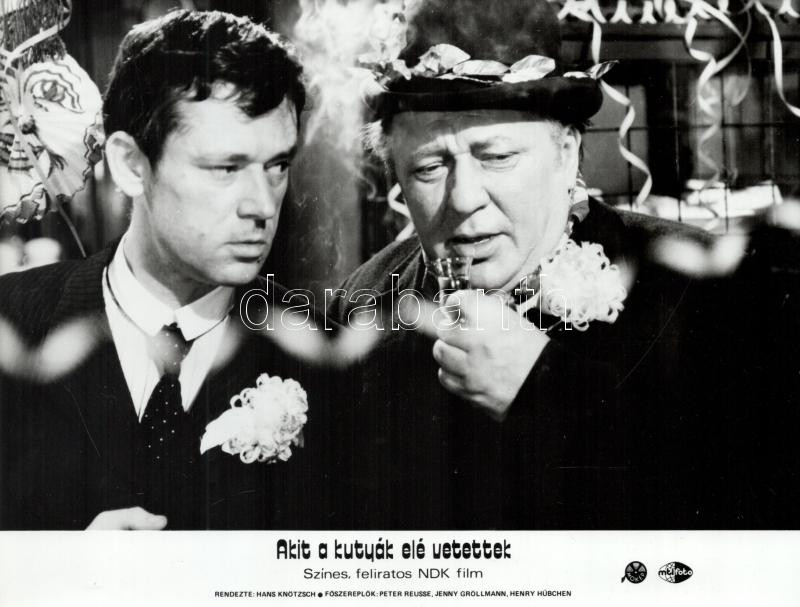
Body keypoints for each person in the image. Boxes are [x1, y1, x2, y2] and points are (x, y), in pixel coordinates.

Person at [328, 0, 774, 528]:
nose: (464, 198)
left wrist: (543, 389)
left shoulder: (705, 295)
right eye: (429, 167)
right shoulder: (361, 302)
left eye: (497, 156)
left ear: (566, 153)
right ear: (397, 179)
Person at [0, 10, 335, 530]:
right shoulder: (12, 323)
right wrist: (60, 568)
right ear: (131, 165)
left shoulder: (323, 349)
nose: (262, 205)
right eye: (225, 168)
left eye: (277, 166)